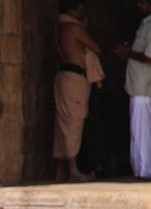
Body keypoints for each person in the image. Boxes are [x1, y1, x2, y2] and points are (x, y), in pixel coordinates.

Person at [53, 0, 103, 182]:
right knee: (74, 121)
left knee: (62, 123)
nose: (82, 13)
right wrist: (84, 25)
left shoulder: (58, 27)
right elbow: (96, 48)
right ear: (72, 10)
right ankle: (74, 170)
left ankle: (61, 170)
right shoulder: (74, 28)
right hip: (75, 78)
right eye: (80, 9)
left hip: (63, 76)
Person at [115, 0, 151, 179]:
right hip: (139, 85)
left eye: (142, 2)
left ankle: (143, 171)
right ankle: (141, 169)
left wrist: (129, 52)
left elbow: (148, 56)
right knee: (139, 130)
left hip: (143, 86)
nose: (138, 5)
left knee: (141, 130)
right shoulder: (146, 23)